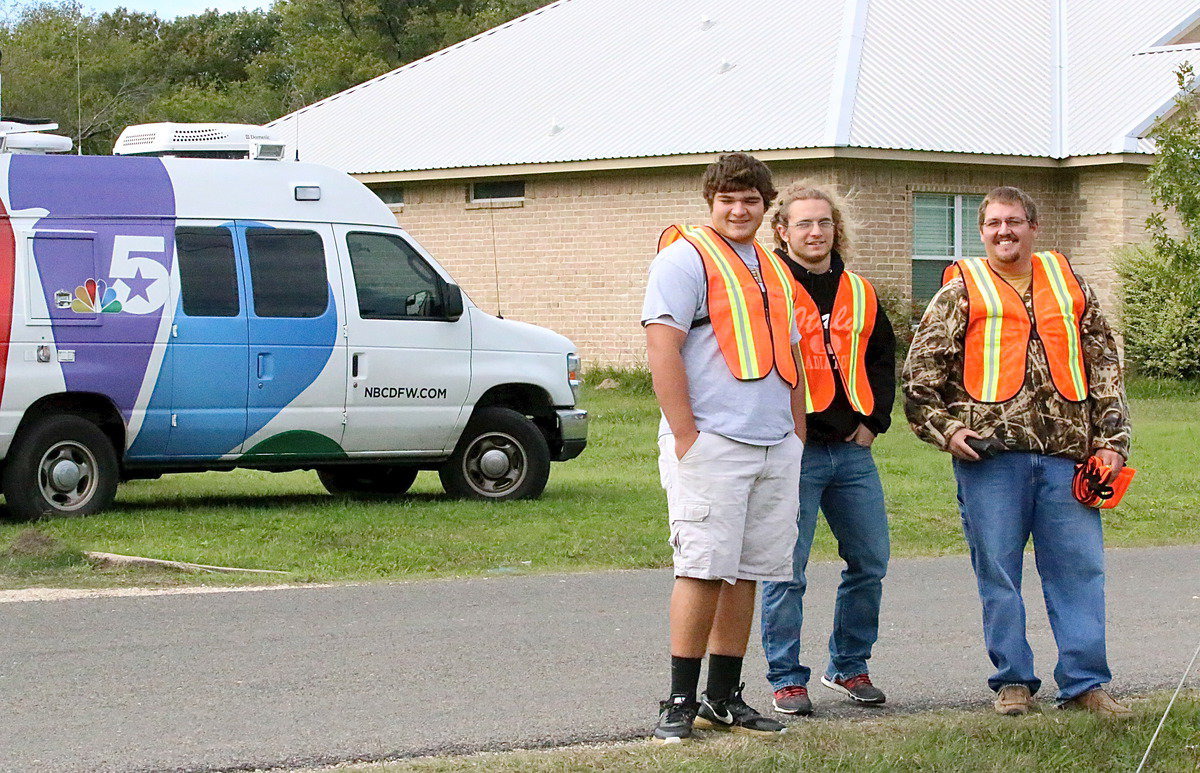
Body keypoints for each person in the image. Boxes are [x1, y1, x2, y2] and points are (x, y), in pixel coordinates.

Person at [903, 186, 1133, 718]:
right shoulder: (961, 291)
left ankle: (1085, 684)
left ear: (1034, 226)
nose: (1004, 232)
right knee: (998, 572)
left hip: (1070, 458)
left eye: (1014, 222)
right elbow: (920, 377)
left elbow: (1105, 369)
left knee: (1079, 571)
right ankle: (1013, 681)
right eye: (993, 224)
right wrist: (949, 432)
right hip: (991, 461)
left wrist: (1113, 443)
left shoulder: (1073, 288)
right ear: (981, 232)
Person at [642, 153, 807, 744]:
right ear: (710, 202)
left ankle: (723, 696)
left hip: (772, 443)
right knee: (703, 567)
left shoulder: (771, 266)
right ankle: (679, 699)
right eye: (727, 200)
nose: (739, 210)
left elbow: (792, 353)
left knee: (746, 572)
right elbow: (662, 348)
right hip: (713, 440)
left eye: (751, 201)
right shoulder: (684, 257)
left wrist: (797, 430)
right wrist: (687, 434)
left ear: (767, 206)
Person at [759, 183, 895, 716]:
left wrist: (873, 422)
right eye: (803, 224)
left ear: (836, 228)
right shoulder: (767, 286)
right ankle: (787, 677)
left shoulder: (860, 290)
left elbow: (883, 357)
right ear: (782, 231)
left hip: (853, 451)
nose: (815, 233)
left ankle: (849, 665)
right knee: (786, 569)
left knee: (870, 561)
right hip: (794, 452)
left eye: (824, 223)